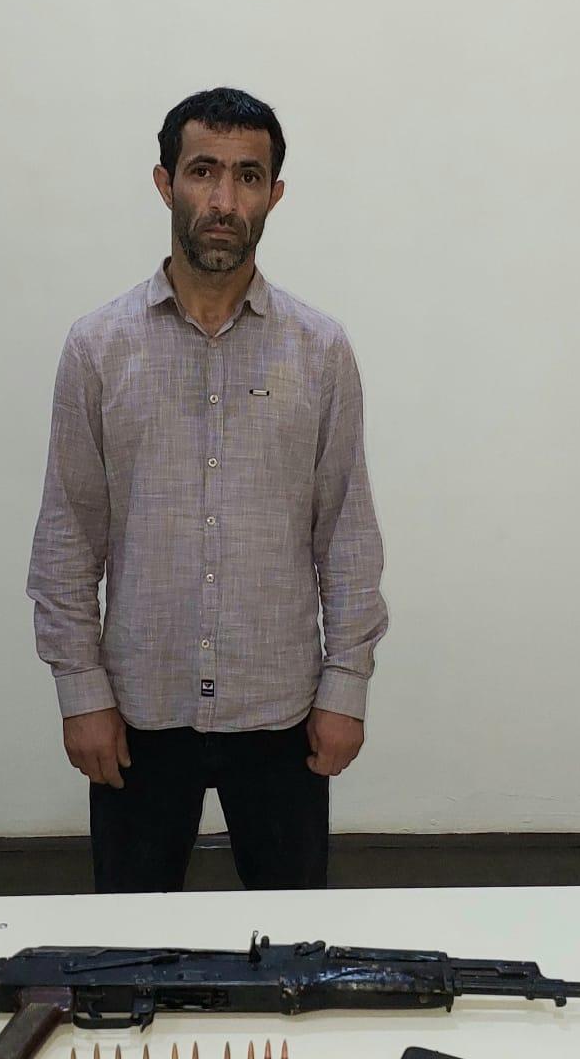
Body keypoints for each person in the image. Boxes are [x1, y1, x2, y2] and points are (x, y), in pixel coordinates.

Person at [26, 86, 389, 893]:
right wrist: (79, 691)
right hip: (139, 709)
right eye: (203, 171)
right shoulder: (97, 348)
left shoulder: (321, 351)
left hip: (283, 709)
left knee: (294, 938)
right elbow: (68, 535)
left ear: (274, 194)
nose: (224, 200)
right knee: (129, 943)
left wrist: (347, 686)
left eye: (248, 176)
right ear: (165, 183)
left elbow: (347, 534)